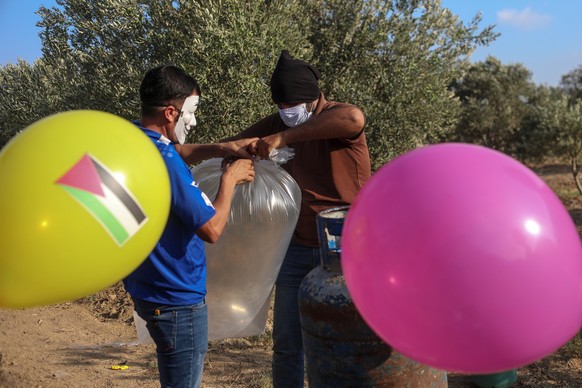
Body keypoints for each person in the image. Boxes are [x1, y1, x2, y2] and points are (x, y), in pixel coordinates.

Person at [227, 50, 371, 387]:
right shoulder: (280, 120)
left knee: (346, 338)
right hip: (294, 248)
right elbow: (233, 143)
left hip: (342, 249)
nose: (284, 114)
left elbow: (354, 118)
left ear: (313, 100)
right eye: (279, 106)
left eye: (290, 105)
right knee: (288, 343)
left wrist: (284, 138)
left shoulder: (337, 117)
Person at [123, 64, 257, 388]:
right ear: (171, 112)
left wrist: (222, 148)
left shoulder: (131, 138)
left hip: (149, 290)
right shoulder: (167, 165)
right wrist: (231, 179)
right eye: (191, 112)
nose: (193, 121)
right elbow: (212, 229)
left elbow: (176, 149)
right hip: (179, 303)